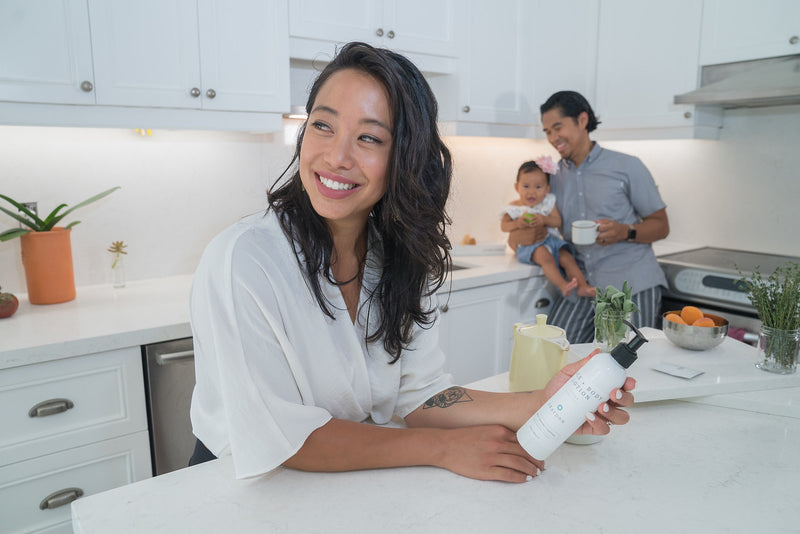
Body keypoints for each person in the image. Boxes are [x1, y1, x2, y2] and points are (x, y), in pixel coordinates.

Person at [187, 43, 635, 483]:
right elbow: (287, 437)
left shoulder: (398, 255)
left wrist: (542, 401)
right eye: (323, 125)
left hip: (346, 483)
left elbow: (423, 397)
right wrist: (440, 449)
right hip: (245, 492)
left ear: (405, 156)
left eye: (369, 137)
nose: (336, 157)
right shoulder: (244, 260)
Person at [539, 90, 669, 343]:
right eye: (547, 132)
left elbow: (661, 226)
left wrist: (625, 231)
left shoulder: (627, 166)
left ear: (582, 120)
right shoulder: (552, 176)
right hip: (581, 285)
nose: (553, 138)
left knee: (625, 365)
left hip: (629, 284)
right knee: (554, 350)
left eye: (558, 128)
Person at [501, 157, 595, 298]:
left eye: (538, 187)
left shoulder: (548, 203)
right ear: (517, 187)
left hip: (551, 240)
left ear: (547, 189)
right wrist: (518, 224)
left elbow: (557, 221)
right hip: (529, 246)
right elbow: (504, 226)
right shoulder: (515, 207)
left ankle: (583, 286)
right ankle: (563, 285)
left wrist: (544, 219)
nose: (531, 192)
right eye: (526, 186)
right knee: (546, 258)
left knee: (567, 257)